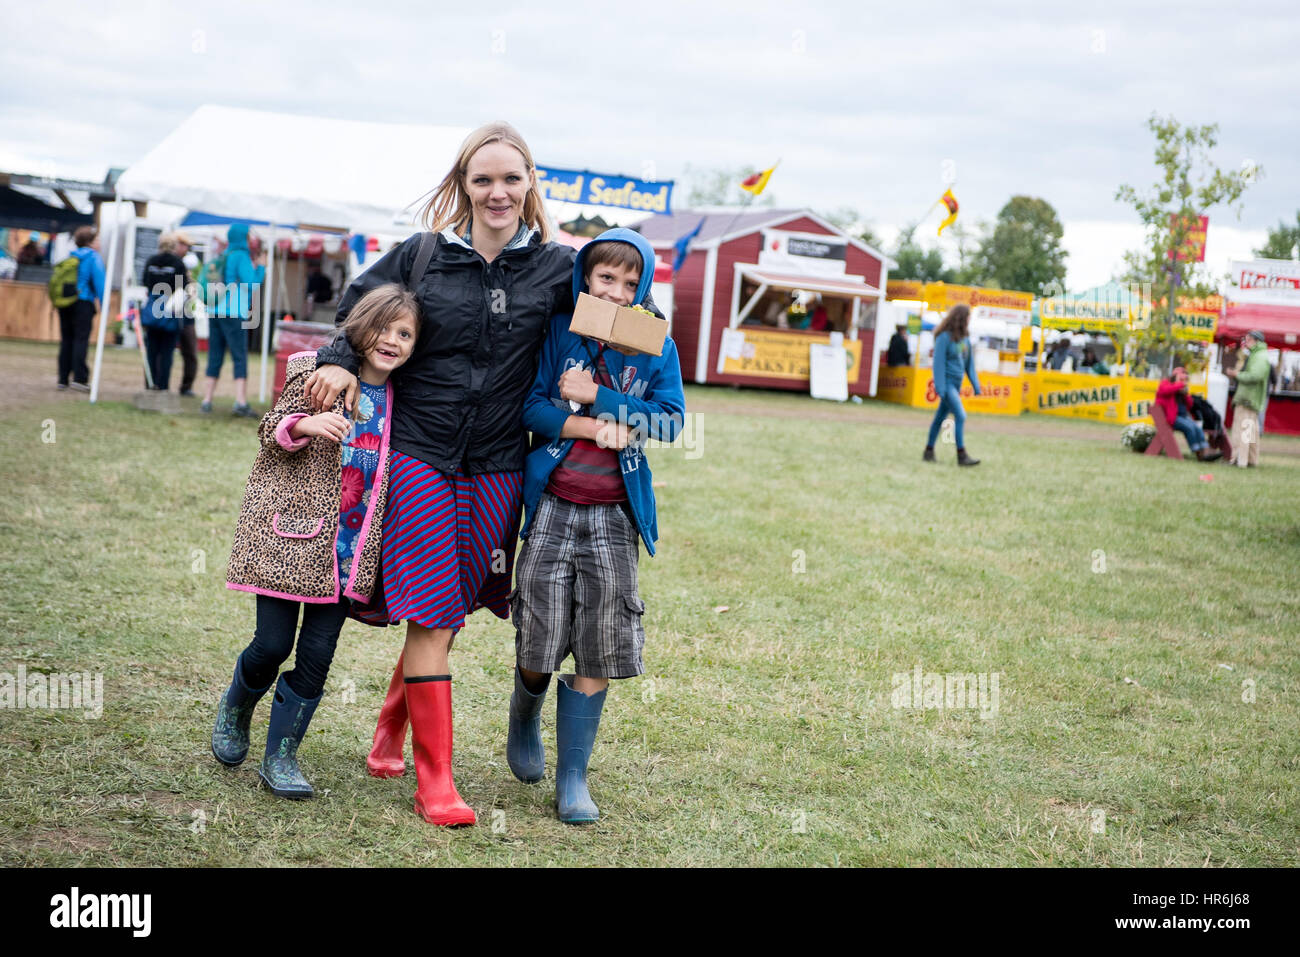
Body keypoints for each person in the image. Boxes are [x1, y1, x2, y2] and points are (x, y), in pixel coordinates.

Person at [303, 121, 596, 827]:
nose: (498, 192)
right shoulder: (423, 254)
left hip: (499, 462)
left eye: (511, 178)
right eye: (483, 179)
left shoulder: (558, 268)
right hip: (419, 453)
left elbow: (622, 321)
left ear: (530, 187)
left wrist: (631, 389)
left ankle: (390, 724)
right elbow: (357, 310)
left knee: (453, 611)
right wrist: (340, 358)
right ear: (462, 186)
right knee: (432, 611)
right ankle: (436, 783)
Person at [213, 284, 418, 797]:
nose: (391, 340)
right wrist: (303, 423)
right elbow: (269, 429)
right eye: (383, 328)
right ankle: (238, 703)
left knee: (317, 655)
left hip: (350, 556)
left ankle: (281, 757)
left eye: (405, 333)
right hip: (294, 541)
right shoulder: (314, 373)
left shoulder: (403, 397)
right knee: (272, 644)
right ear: (358, 329)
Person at [509, 229, 685, 823]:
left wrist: (600, 397)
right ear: (587, 275)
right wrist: (585, 426)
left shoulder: (655, 344)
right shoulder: (562, 330)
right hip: (555, 501)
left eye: (631, 283)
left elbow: (668, 424)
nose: (616, 291)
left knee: (602, 638)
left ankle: (573, 776)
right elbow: (531, 407)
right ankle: (525, 714)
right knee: (540, 628)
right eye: (606, 278)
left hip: (614, 513)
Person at [200, 223, 265, 416]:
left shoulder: (222, 255)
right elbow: (252, 284)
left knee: (215, 355)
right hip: (234, 312)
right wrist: (261, 266)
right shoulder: (240, 256)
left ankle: (207, 400)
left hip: (215, 311)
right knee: (239, 356)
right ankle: (240, 401)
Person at [923, 304, 981, 466]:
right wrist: (940, 388)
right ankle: (961, 455)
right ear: (961, 318)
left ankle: (928, 450)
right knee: (961, 416)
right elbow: (938, 363)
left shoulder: (965, 340)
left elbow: (969, 365)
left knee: (939, 418)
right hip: (947, 385)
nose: (970, 320)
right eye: (968, 317)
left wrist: (976, 385)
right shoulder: (943, 337)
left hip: (957, 385)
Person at [139, 231, 191, 391]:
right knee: (167, 351)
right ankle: (163, 385)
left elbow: (145, 283)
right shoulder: (178, 263)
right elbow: (183, 287)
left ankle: (149, 382)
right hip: (171, 310)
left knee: (151, 349)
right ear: (174, 246)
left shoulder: (151, 261)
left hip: (153, 308)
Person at [58, 226, 105, 393]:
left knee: (66, 340)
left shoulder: (72, 255)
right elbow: (100, 282)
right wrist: (104, 303)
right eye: (97, 240)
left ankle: (63, 378)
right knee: (80, 340)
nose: (100, 243)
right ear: (90, 242)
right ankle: (79, 378)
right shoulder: (93, 257)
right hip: (83, 302)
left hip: (66, 303)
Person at [1155, 367, 1221, 461]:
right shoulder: (1166, 384)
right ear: (1174, 377)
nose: (1183, 382)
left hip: (1182, 416)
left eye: (1185, 379)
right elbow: (1165, 390)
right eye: (1181, 379)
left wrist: (1186, 394)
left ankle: (1205, 451)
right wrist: (1179, 385)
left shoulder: (1180, 389)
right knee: (1189, 427)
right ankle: (1199, 452)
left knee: (1197, 428)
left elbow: (1190, 405)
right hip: (1171, 418)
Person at [1226, 330, 1269, 467]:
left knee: (1241, 429)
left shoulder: (1260, 356)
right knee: (1250, 431)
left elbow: (1255, 376)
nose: (1245, 342)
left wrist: (1237, 374)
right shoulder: (1258, 355)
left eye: (1248, 339)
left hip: (1247, 397)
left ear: (1256, 340)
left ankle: (1239, 460)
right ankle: (1250, 460)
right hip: (1251, 398)